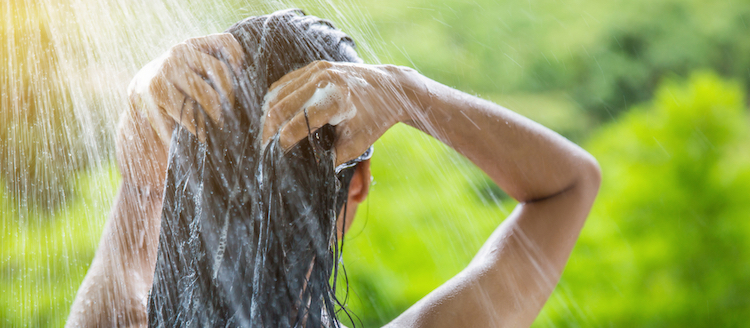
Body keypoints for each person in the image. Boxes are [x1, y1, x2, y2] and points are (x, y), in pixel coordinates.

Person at [66, 9, 600, 328]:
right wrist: (404, 91)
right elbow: (570, 183)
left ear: (189, 178)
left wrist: (152, 83)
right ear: (358, 186)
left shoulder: (115, 316)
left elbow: (139, 186)